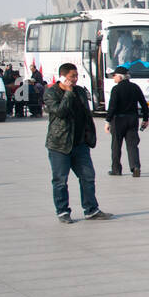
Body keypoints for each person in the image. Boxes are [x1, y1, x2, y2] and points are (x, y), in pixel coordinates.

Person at [44, 63, 111, 223]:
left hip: (80, 144)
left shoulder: (80, 91)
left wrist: (89, 136)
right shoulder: (51, 92)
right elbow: (60, 112)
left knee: (88, 176)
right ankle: (62, 211)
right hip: (60, 144)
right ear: (62, 76)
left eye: (76, 76)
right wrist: (67, 93)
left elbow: (86, 115)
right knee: (60, 180)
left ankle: (91, 209)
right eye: (72, 76)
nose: (75, 79)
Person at [105, 66, 149, 177]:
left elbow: (112, 106)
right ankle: (135, 167)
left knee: (116, 145)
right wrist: (145, 119)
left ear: (120, 77)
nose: (113, 78)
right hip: (132, 119)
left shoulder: (116, 89)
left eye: (114, 76)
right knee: (132, 145)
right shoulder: (135, 87)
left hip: (118, 120)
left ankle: (116, 169)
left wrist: (107, 121)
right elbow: (143, 103)